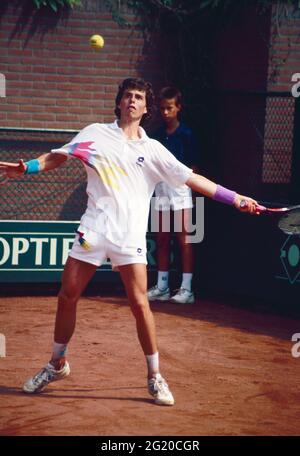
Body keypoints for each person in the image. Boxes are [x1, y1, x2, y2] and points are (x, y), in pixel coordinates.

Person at [0, 77, 259, 406]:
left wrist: (235, 197)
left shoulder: (153, 150)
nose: (132, 101)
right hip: (93, 230)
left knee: (140, 304)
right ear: (119, 103)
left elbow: (192, 179)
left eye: (138, 97)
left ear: (145, 107)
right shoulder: (95, 133)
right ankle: (56, 364)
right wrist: (28, 168)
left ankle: (154, 377)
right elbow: (58, 157)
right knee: (67, 296)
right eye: (127, 96)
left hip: (130, 236)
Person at [147, 86, 199, 304]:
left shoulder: (187, 133)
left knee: (186, 239)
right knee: (161, 238)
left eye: (169, 108)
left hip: (182, 190)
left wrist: (189, 190)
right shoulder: (156, 135)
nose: (165, 113)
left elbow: (194, 168)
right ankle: (162, 287)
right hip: (161, 190)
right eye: (162, 109)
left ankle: (187, 290)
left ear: (179, 108)